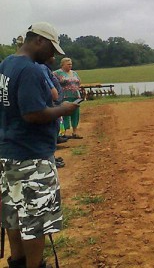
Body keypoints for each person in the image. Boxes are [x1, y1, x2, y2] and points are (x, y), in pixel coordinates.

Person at [0, 22, 78, 268]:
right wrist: (63, 110)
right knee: (35, 219)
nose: (52, 55)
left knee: (13, 214)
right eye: (51, 48)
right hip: (31, 156)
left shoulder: (6, 65)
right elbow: (32, 114)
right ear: (39, 41)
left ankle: (18, 261)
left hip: (9, 152)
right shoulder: (31, 70)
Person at [53, 58, 82, 139]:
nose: (70, 65)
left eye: (71, 64)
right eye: (68, 64)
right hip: (64, 96)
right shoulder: (57, 73)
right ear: (62, 64)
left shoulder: (74, 73)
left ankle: (75, 132)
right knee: (65, 113)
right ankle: (63, 132)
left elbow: (79, 82)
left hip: (75, 96)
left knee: (76, 113)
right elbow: (52, 82)